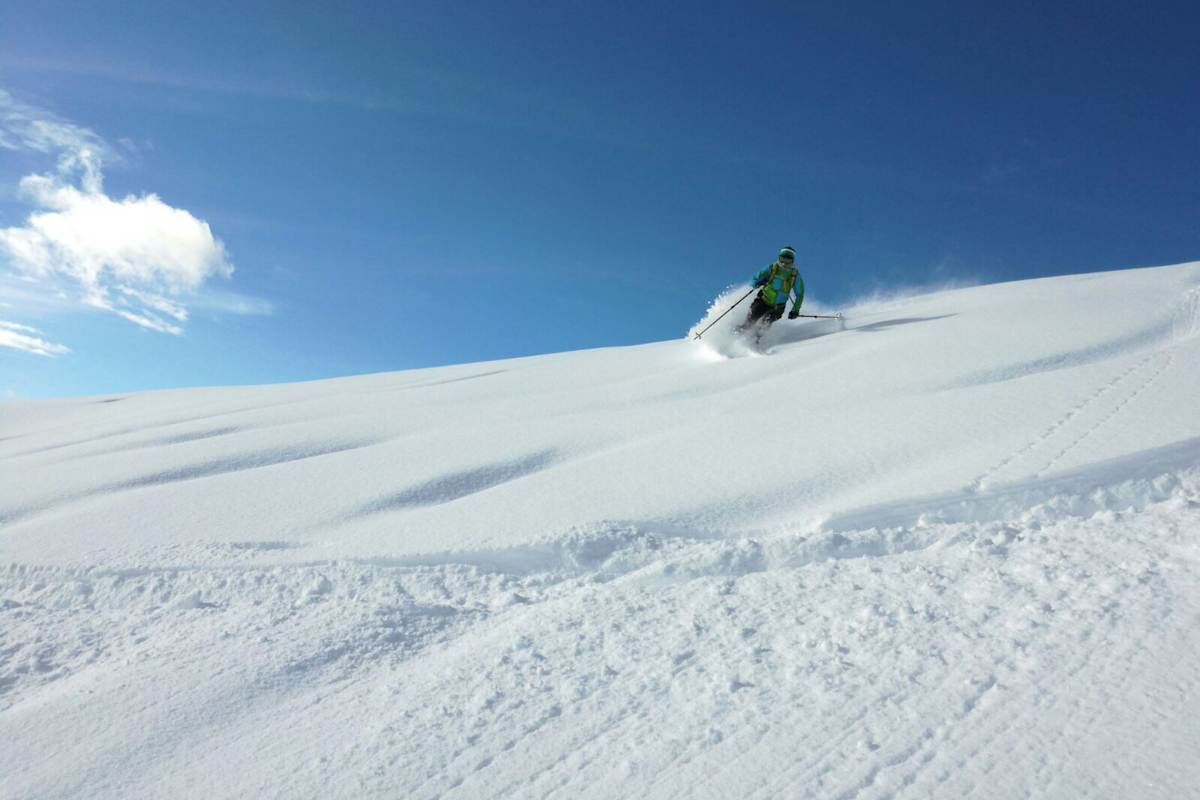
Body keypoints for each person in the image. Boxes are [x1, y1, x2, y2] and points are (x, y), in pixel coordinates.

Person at [737, 246, 805, 337]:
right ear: (779, 258)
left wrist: (795, 310)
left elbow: (800, 294)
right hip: (763, 300)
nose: (784, 263)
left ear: (792, 261)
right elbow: (754, 279)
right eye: (782, 259)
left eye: (788, 260)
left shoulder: (794, 275)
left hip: (778, 307)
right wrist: (757, 283)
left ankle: (753, 342)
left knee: (764, 325)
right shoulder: (772, 268)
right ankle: (734, 335)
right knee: (750, 321)